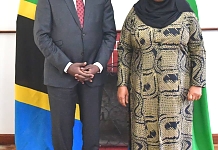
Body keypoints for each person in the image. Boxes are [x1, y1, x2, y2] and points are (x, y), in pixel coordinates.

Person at [117, 0, 206, 149]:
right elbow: (125, 49)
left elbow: (198, 49)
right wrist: (122, 83)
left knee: (174, 137)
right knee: (143, 135)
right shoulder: (135, 13)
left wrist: (197, 83)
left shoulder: (185, 13)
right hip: (142, 90)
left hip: (177, 92)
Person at [33, 0, 116, 149]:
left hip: (93, 75)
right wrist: (67, 66)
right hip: (59, 75)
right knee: (62, 134)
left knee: (92, 133)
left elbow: (109, 34)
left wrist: (97, 66)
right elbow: (41, 36)